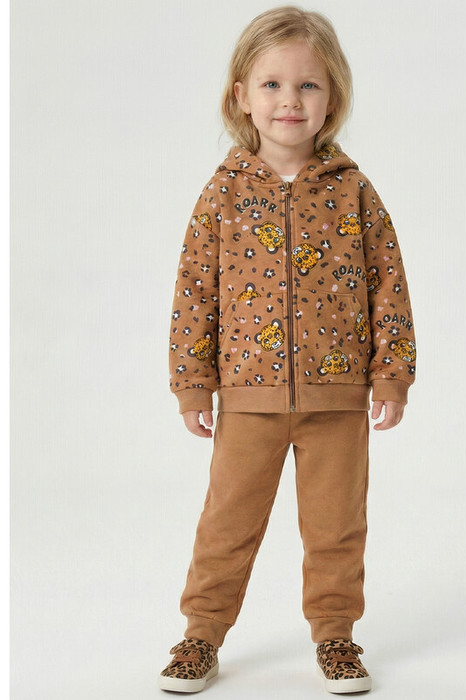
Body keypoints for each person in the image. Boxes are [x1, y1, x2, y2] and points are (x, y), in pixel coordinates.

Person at [159, 5, 416, 694]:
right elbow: (194, 291)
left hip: (338, 400)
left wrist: (391, 376)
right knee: (226, 525)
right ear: (241, 95)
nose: (289, 100)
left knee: (337, 528)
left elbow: (389, 284)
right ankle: (200, 635)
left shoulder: (354, 191)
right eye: (272, 84)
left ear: (332, 96)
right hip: (247, 399)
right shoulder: (222, 193)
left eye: (308, 85)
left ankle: (337, 637)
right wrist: (192, 383)